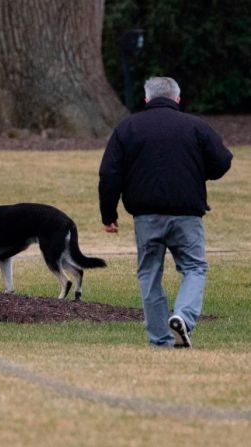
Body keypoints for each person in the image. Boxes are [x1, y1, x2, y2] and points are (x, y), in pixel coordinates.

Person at [98, 77, 233, 348]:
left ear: (146, 100)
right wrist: (197, 173)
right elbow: (222, 161)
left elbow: (109, 174)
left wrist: (108, 215)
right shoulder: (195, 126)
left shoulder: (128, 128)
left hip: (146, 215)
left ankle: (160, 340)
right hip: (187, 213)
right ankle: (183, 316)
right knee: (194, 267)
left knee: (149, 273)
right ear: (177, 99)